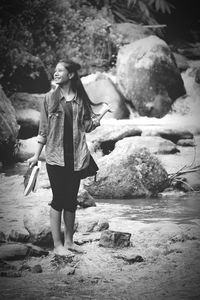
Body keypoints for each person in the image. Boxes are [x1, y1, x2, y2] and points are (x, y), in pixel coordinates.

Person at [28, 59, 110, 256]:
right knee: (58, 199)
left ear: (70, 75)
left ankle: (69, 242)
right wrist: (35, 156)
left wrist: (103, 113)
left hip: (76, 158)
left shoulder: (80, 99)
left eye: (60, 70)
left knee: (71, 200)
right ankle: (57, 246)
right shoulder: (49, 98)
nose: (55, 73)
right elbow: (43, 130)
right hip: (55, 158)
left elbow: (87, 126)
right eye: (55, 71)